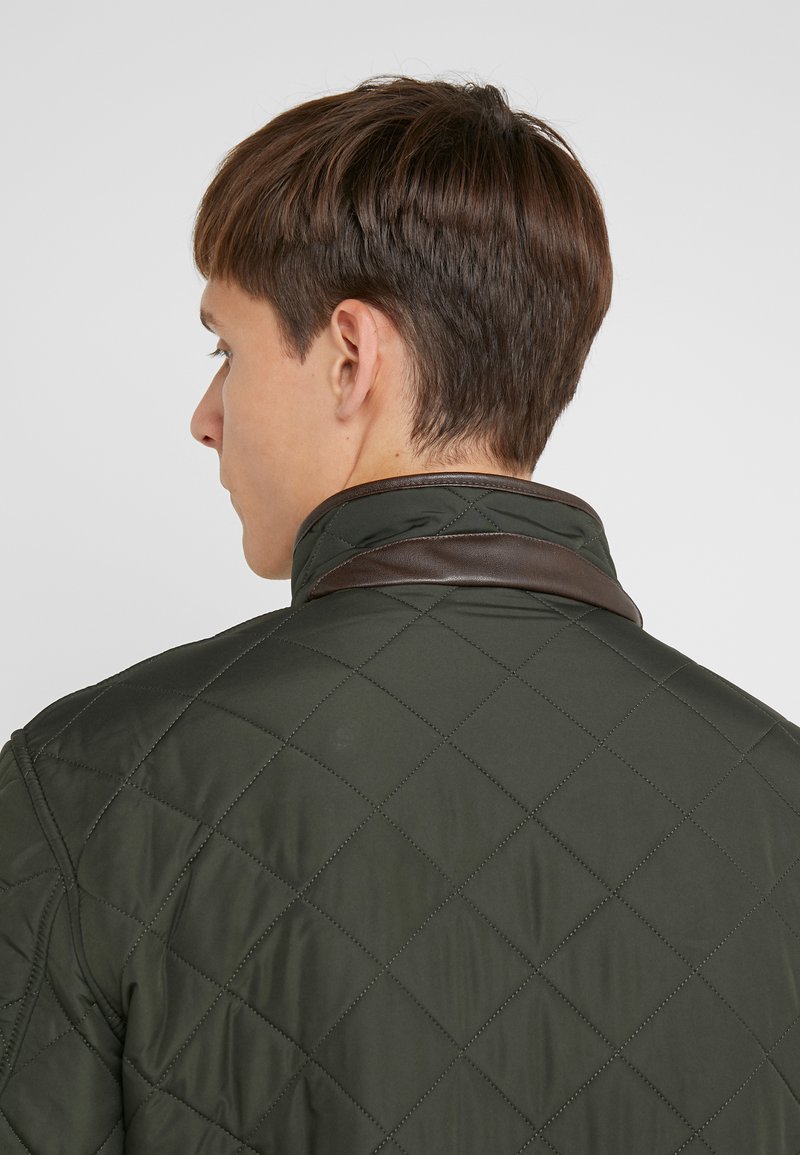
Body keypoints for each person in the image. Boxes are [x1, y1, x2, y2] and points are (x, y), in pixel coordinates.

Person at [1, 74, 798, 1155]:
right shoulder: (780, 793)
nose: (204, 417)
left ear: (349, 357)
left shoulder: (85, 783)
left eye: (224, 349)